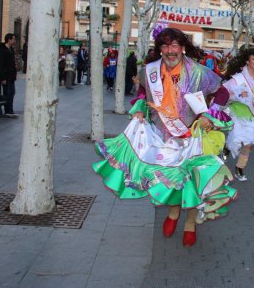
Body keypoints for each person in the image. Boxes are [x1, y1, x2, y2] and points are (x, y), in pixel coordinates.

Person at [92, 28, 236, 247]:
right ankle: (174, 211)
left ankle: (190, 223)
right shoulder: (149, 72)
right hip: (162, 136)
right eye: (165, 46)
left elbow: (223, 92)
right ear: (160, 49)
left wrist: (209, 114)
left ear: (183, 48)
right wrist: (140, 108)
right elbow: (142, 93)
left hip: (191, 136)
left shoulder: (199, 72)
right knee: (171, 180)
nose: (170, 51)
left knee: (193, 183)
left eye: (175, 46)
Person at [222, 47, 254, 182]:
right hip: (237, 114)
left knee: (249, 143)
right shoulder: (238, 78)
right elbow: (224, 93)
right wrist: (238, 94)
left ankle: (240, 168)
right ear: (247, 60)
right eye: (253, 58)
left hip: (253, 115)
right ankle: (227, 147)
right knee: (237, 140)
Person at [0, 33, 18, 117]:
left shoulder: (11, 49)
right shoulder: (2, 50)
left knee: (12, 92)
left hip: (11, 75)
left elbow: (13, 63)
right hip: (5, 75)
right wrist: (3, 78)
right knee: (7, 93)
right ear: (9, 40)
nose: (14, 41)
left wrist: (15, 73)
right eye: (13, 39)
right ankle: (7, 110)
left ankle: (10, 109)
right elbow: (0, 65)